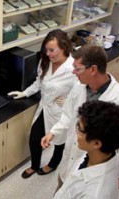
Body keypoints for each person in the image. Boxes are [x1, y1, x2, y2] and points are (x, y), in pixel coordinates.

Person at [41, 45, 119, 190]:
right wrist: (53, 132)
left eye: (78, 69)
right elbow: (68, 114)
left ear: (93, 69)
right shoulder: (79, 86)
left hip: (96, 169)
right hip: (71, 158)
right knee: (63, 187)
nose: (74, 72)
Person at [8, 29, 78, 178]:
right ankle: (34, 165)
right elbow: (39, 82)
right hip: (45, 108)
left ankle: (53, 164)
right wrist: (25, 93)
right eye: (46, 50)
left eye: (52, 50)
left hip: (62, 112)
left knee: (59, 142)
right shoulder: (46, 61)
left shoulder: (73, 69)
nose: (48, 54)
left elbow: (83, 91)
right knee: (34, 139)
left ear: (64, 48)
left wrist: (71, 101)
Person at [53, 100, 119, 199]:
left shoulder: (96, 194)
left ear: (96, 143)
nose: (76, 132)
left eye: (79, 128)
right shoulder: (97, 155)